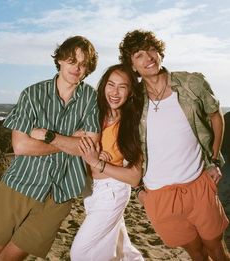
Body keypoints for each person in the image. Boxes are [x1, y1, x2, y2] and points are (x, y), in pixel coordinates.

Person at [119, 29, 230, 261]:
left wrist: (214, 159)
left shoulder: (192, 83)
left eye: (151, 50)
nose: (148, 57)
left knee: (216, 249)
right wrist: (139, 189)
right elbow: (128, 144)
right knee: (195, 253)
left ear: (160, 53)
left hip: (198, 184)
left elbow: (215, 116)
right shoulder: (134, 100)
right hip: (159, 195)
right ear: (132, 65)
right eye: (139, 54)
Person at [0, 35, 100, 260]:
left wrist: (48, 136)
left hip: (60, 194)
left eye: (83, 64)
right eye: (72, 60)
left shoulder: (91, 98)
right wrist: (70, 141)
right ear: (60, 60)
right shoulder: (32, 94)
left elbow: (89, 146)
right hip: (19, 186)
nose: (77, 68)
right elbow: (21, 146)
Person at [70, 64, 145, 261]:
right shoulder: (94, 114)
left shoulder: (132, 125)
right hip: (90, 190)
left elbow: (135, 177)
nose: (115, 92)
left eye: (122, 87)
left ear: (130, 93)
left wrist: (99, 163)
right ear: (103, 86)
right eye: (111, 84)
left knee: (80, 253)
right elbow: (74, 138)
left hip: (112, 192)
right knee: (123, 250)